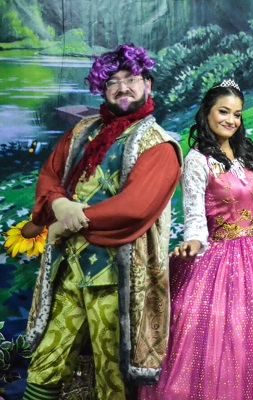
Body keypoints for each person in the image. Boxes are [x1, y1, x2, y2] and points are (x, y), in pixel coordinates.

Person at [22, 43, 183, 399]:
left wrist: (70, 220)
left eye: (131, 79)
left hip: (117, 278)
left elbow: (134, 208)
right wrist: (59, 204)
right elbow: (50, 174)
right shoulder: (83, 130)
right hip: (67, 268)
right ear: (102, 88)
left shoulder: (159, 144)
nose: (122, 87)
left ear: (148, 84)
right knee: (46, 361)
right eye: (113, 82)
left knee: (113, 375)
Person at [139, 80, 253, 400]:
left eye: (237, 114)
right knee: (223, 339)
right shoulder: (197, 159)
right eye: (224, 112)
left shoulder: (249, 152)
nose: (231, 120)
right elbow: (195, 218)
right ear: (207, 113)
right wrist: (193, 243)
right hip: (221, 259)